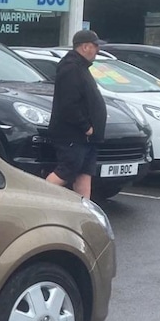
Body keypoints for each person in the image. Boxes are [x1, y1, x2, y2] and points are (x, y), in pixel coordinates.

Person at [46, 29, 106, 199]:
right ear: (85, 47)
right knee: (66, 171)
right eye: (95, 46)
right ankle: (38, 199)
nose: (97, 50)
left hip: (87, 138)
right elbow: (68, 103)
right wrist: (85, 126)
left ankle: (84, 209)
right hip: (73, 134)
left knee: (84, 173)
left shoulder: (81, 67)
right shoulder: (71, 68)